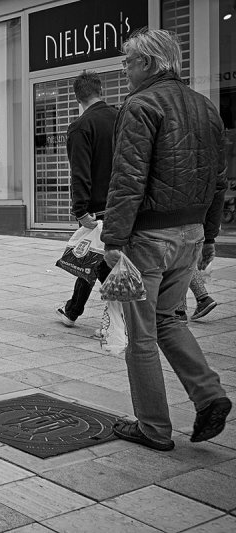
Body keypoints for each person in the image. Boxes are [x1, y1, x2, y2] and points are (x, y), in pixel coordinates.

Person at [101, 28, 231, 451]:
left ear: (149, 64)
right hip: (190, 233)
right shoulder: (205, 106)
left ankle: (153, 427)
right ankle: (209, 394)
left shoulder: (140, 105)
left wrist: (114, 239)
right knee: (169, 319)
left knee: (142, 336)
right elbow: (218, 180)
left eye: (128, 61)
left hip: (150, 237)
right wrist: (209, 236)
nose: (124, 69)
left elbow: (127, 179)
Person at [56, 71, 118, 328]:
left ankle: (127, 309)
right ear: (100, 90)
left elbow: (80, 173)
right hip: (125, 202)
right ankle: (73, 310)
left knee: (100, 262)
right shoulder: (121, 117)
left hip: (97, 210)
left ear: (76, 97)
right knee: (92, 256)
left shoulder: (81, 127)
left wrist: (80, 210)